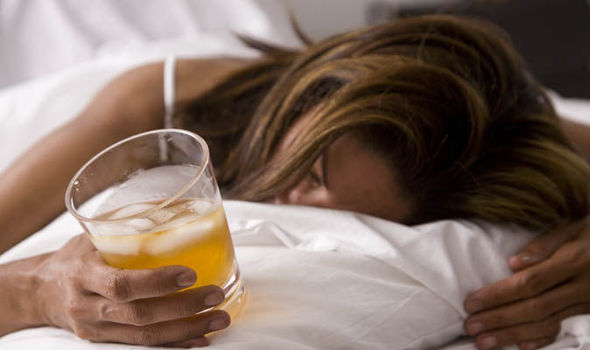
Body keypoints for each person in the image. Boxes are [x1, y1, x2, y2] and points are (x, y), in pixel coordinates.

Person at [0, 14, 590, 349]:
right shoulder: (153, 103)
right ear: (308, 97)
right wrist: (36, 289)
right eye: (310, 171)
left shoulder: (492, 132)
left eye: (338, 210)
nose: (293, 202)